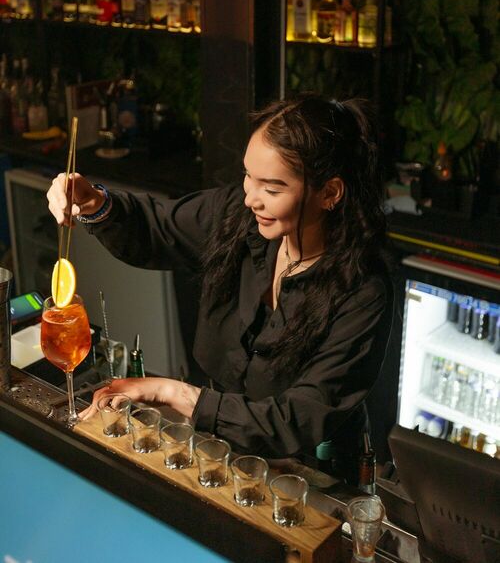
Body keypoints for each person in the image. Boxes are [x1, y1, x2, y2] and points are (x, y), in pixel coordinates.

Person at [47, 94, 393, 482]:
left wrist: (171, 392)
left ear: (329, 193)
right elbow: (158, 227)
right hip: (221, 447)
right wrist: (94, 201)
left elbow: (296, 419)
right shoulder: (238, 216)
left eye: (272, 189)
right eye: (248, 176)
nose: (250, 198)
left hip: (310, 471)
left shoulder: (363, 291)